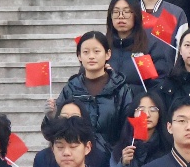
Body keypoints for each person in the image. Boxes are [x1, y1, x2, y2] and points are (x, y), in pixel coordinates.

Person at [53, 30, 135, 159]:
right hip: (77, 158)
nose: (91, 56)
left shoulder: (121, 89)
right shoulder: (70, 89)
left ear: (108, 54)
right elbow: (56, 128)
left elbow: (129, 127)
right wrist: (50, 115)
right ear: (79, 56)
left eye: (96, 51)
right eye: (86, 52)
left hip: (112, 159)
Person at [106, 0, 175, 98]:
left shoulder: (150, 46)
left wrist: (130, 93)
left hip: (139, 104)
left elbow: (159, 83)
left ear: (136, 15)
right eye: (115, 12)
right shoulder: (102, 46)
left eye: (126, 11)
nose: (121, 16)